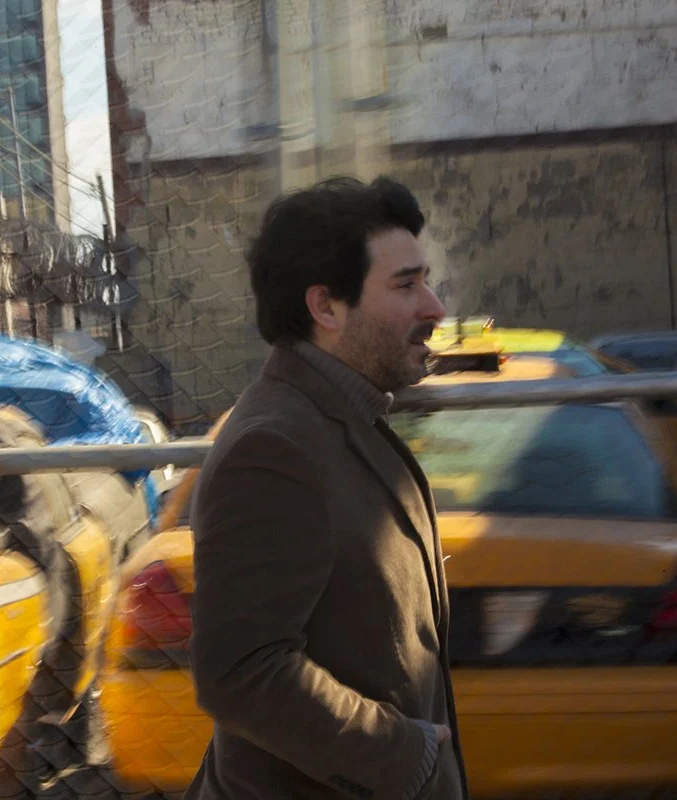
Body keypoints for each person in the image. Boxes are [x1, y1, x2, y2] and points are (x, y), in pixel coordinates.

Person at [184, 176, 468, 800]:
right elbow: (241, 672)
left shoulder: (343, 418)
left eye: (425, 281)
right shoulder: (275, 449)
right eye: (406, 285)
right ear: (327, 308)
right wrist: (404, 755)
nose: (434, 308)